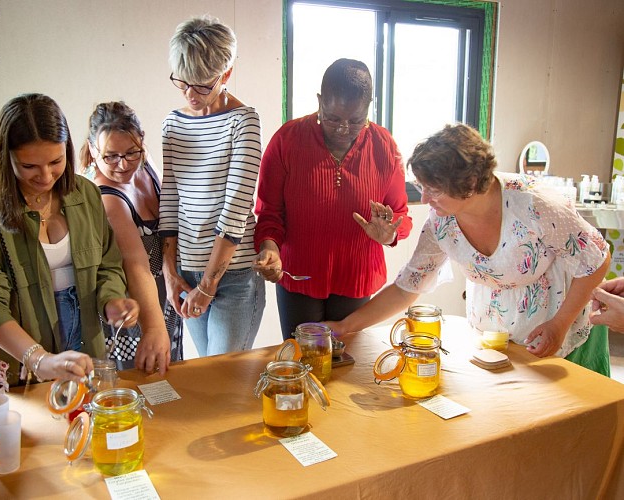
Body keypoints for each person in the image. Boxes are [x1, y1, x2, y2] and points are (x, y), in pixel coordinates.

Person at [327, 123, 612, 375]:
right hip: (496, 333)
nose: (425, 199)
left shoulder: (535, 205)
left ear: (471, 183)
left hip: (560, 327)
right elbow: (407, 287)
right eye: (420, 186)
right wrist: (345, 326)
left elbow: (596, 259)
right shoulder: (442, 221)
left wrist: (560, 324)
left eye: (434, 189)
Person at [0, 93, 139, 386]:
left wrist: (111, 300)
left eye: (56, 161)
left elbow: (107, 264)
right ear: (5, 157)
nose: (46, 175)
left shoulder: (85, 194)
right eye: (29, 166)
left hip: (87, 345)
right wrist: (38, 359)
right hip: (22, 355)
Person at [252, 58, 413, 339]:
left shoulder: (384, 146)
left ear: (369, 107)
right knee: (303, 359)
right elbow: (269, 212)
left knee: (347, 363)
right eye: (333, 118)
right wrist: (271, 249)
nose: (343, 129)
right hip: (298, 275)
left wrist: (389, 234)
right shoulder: (288, 140)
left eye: (355, 121)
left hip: (356, 275)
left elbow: (400, 215)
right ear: (319, 101)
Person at [161, 15, 266, 356]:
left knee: (225, 378)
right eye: (183, 83)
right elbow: (170, 203)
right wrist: (169, 273)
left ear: (226, 74)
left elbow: (235, 211)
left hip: (232, 276)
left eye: (203, 85)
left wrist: (208, 286)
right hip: (186, 271)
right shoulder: (173, 124)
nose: (191, 94)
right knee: (207, 375)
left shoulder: (243, 121)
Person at [81, 101, 182, 372]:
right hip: (134, 310)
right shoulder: (107, 197)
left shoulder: (145, 167)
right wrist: (154, 326)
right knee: (141, 387)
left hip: (165, 302)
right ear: (92, 150)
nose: (123, 164)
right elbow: (136, 264)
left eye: (131, 152)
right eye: (110, 156)